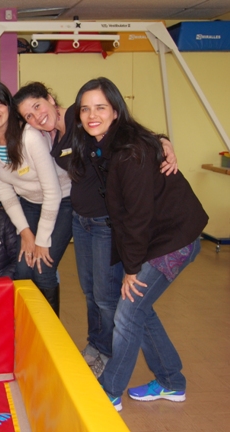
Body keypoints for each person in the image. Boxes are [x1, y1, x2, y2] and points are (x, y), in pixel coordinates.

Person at [15, 81, 179, 375]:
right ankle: (96, 345)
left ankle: (109, 354)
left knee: (106, 296)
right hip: (82, 221)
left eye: (38, 106)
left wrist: (162, 142)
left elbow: (127, 132)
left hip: (106, 223)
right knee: (90, 291)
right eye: (28, 115)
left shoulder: (82, 119)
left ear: (50, 98)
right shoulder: (50, 135)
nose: (36, 117)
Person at [71, 77, 208, 411]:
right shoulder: (104, 142)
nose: (92, 115)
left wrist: (131, 270)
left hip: (174, 239)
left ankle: (109, 392)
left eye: (100, 107)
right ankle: (171, 381)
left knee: (128, 311)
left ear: (116, 110)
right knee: (140, 312)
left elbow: (137, 217)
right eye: (85, 108)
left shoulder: (129, 153)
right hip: (159, 237)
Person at [0, 80, 72, 316]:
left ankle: (50, 337)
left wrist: (41, 239)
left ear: (9, 106)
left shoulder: (29, 137)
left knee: (42, 266)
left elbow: (53, 192)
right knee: (22, 268)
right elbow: (6, 194)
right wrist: (26, 232)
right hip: (29, 203)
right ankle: (27, 328)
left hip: (63, 200)